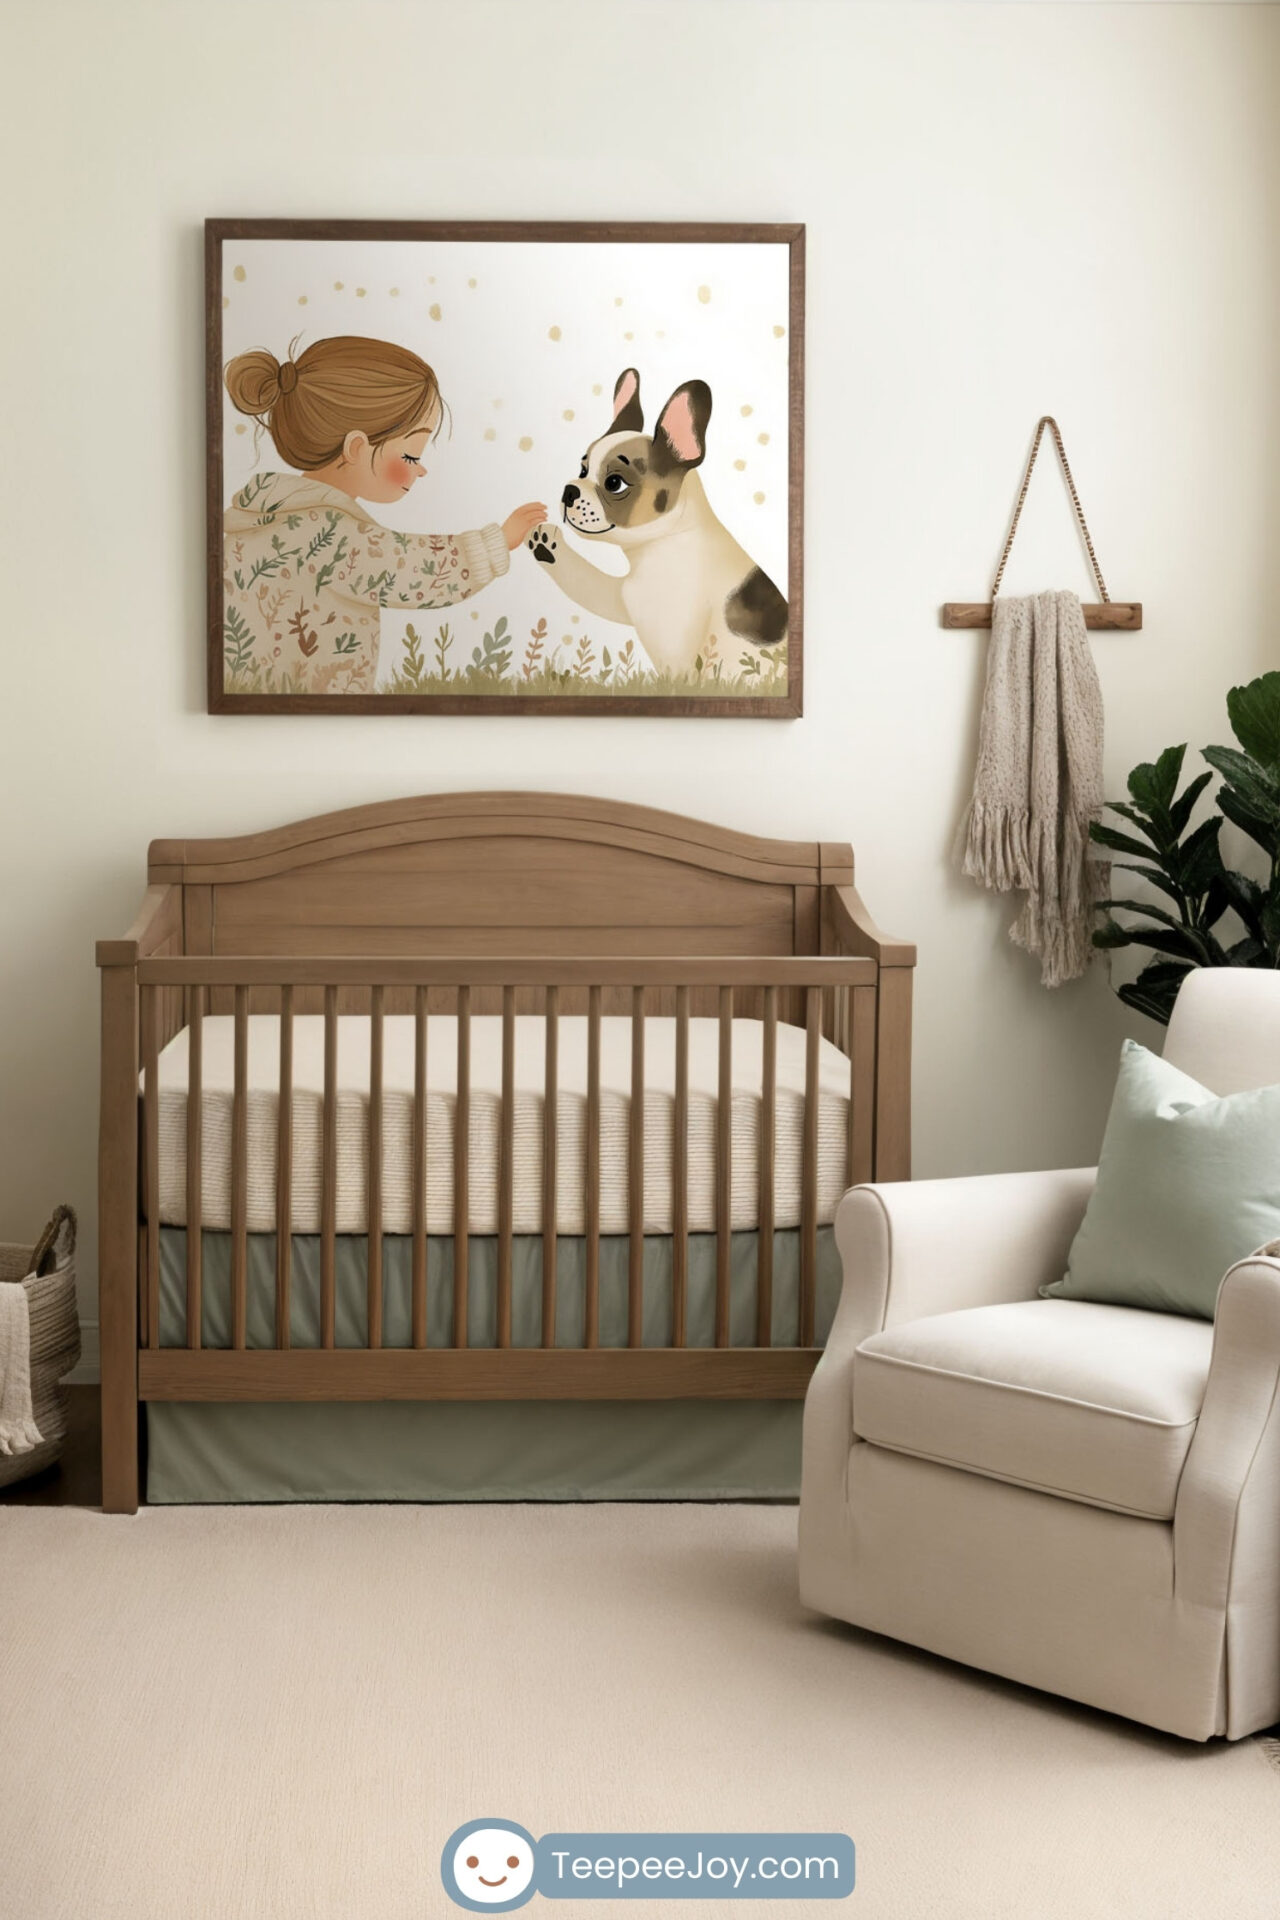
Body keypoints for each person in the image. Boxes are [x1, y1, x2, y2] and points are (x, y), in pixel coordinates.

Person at [223, 335, 544, 693]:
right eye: (411, 457)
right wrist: (498, 541)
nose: (420, 471)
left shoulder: (254, 520)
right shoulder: (329, 533)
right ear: (356, 448)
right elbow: (413, 571)